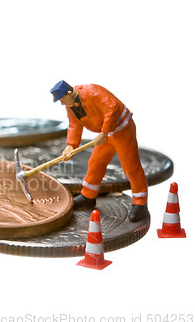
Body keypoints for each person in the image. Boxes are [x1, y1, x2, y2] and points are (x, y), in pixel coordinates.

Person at [50, 80, 149, 222]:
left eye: (62, 99)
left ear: (69, 93)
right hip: (105, 134)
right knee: (95, 163)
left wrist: (104, 132)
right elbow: (74, 126)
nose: (61, 104)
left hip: (122, 130)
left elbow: (112, 108)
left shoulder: (91, 91)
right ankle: (88, 196)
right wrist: (70, 145)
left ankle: (141, 204)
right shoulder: (70, 105)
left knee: (131, 168)